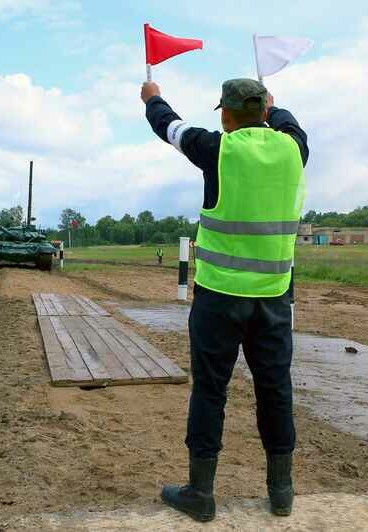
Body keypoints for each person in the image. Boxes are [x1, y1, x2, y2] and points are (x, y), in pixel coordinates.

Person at [141, 78, 309, 522]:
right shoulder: (295, 149)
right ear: (265, 109)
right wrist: (273, 106)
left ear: (226, 114)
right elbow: (287, 122)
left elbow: (168, 126)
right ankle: (282, 491)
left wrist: (152, 97)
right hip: (273, 300)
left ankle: (201, 493)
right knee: (275, 391)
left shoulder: (218, 149)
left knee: (211, 392)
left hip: (218, 300)